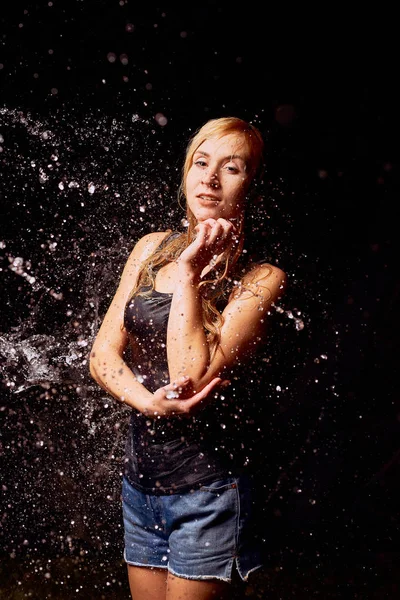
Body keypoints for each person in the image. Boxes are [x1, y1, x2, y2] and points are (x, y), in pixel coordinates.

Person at [89, 116, 287, 600]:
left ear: (253, 186)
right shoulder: (150, 248)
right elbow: (102, 355)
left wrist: (189, 272)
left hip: (210, 493)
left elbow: (187, 374)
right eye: (201, 162)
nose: (210, 178)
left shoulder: (262, 278)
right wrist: (148, 403)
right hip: (141, 487)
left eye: (232, 167)